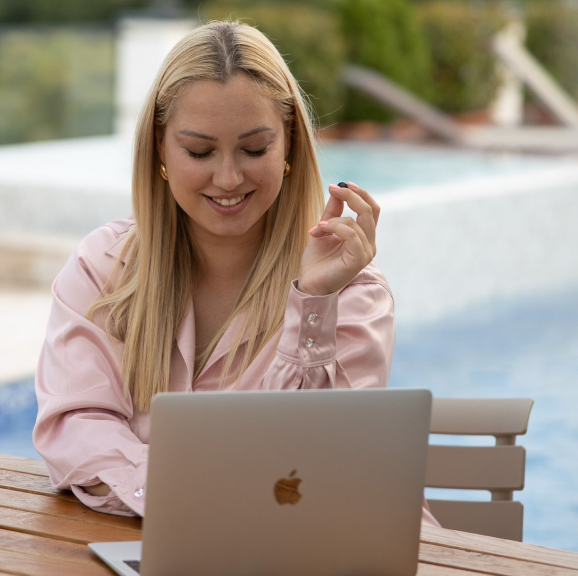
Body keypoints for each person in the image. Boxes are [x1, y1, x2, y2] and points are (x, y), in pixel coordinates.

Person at [33, 19, 439, 527]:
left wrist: (311, 302)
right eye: (199, 151)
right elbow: (74, 428)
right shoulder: (104, 268)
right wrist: (208, 500)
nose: (228, 179)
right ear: (159, 148)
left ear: (289, 143)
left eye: (254, 149)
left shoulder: (350, 290)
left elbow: (309, 472)